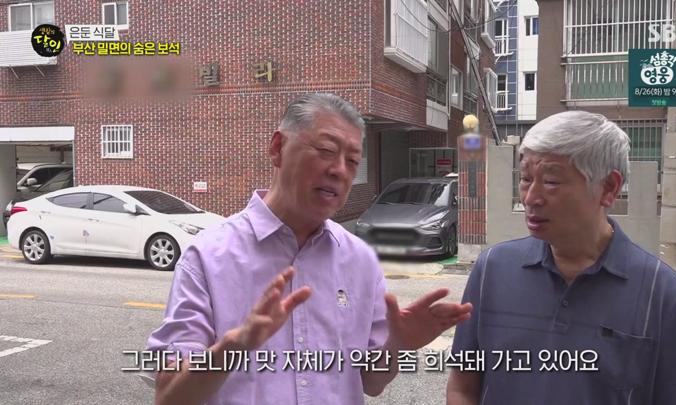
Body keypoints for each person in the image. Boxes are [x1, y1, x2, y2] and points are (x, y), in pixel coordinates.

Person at [145, 93, 472, 405]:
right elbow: (169, 396)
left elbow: (372, 383)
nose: (339, 170)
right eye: (326, 150)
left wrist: (397, 345)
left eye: (352, 160)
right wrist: (236, 345)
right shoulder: (207, 256)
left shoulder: (360, 260)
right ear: (278, 148)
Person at [447, 111, 676, 404]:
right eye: (526, 179)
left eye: (551, 181)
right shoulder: (492, 270)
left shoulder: (663, 295)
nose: (530, 198)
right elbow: (463, 386)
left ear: (609, 187)